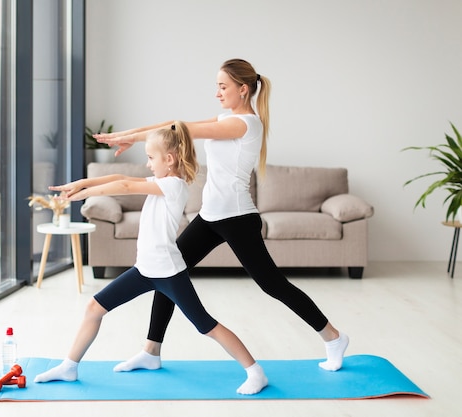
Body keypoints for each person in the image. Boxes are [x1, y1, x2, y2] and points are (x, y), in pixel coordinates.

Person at [95, 58, 349, 374]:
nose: (217, 92)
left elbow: (181, 128)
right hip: (211, 216)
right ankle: (151, 351)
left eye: (223, 86)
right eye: (217, 86)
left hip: (238, 218)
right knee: (168, 270)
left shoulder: (245, 124)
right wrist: (131, 134)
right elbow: (176, 128)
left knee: (273, 285)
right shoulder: (226, 118)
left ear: (243, 90)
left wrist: (131, 135)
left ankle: (333, 337)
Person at [33, 121, 268, 395]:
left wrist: (85, 194)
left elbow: (124, 186)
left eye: (150, 158)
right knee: (94, 308)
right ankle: (70, 366)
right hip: (144, 270)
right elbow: (119, 179)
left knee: (206, 326)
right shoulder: (160, 181)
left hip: (168, 273)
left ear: (169, 160)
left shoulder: (174, 185)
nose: (147, 164)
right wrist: (83, 183)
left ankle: (255, 372)